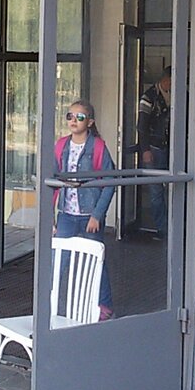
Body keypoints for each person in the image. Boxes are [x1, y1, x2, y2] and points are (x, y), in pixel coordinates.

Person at [53, 99, 116, 320]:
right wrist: (50, 216)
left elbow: (110, 182)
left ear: (89, 122)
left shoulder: (98, 147)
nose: (73, 120)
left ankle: (104, 305)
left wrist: (97, 215)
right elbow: (52, 181)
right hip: (66, 215)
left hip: (89, 216)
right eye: (69, 116)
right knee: (58, 260)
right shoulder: (61, 145)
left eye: (79, 117)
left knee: (96, 260)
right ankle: (50, 303)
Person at [137, 66, 171, 239]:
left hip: (172, 148)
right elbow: (142, 126)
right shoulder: (149, 97)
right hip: (154, 148)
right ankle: (162, 229)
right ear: (166, 80)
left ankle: (174, 226)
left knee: (174, 187)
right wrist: (145, 149)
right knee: (156, 191)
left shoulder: (181, 95)